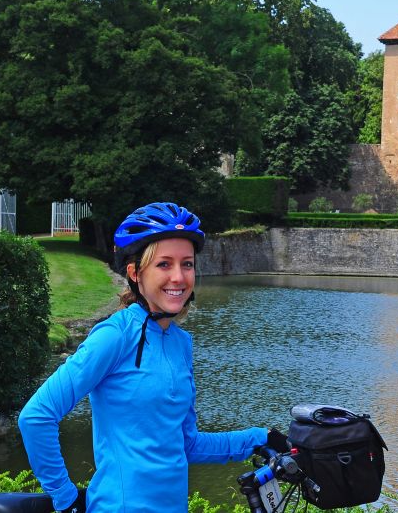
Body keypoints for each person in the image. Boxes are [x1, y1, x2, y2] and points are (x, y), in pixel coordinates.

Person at [18, 202, 288, 513]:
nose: (179, 277)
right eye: (164, 264)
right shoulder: (114, 336)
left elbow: (186, 445)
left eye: (187, 264)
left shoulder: (180, 343)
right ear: (135, 273)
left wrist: (259, 437)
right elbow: (37, 416)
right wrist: (65, 500)